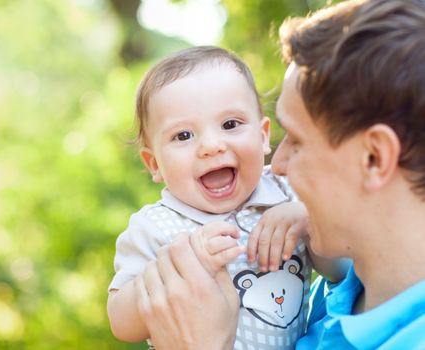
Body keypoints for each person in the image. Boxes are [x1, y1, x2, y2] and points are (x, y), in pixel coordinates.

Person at [133, 0, 425, 349]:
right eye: (183, 135)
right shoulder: (335, 297)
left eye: (297, 141)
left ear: (375, 158)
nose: (278, 164)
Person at [107, 46, 347, 349]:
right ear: (154, 164)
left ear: (262, 137)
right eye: (183, 136)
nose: (211, 145)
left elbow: (340, 271)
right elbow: (121, 322)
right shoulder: (155, 226)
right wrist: (181, 266)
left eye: (230, 125)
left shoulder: (288, 190)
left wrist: (308, 219)